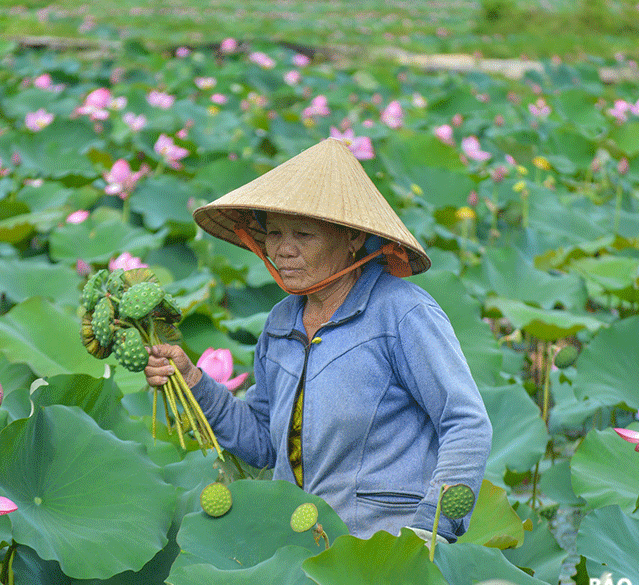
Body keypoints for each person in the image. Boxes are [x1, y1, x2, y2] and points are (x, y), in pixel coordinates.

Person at [145, 137, 491, 542]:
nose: (284, 250)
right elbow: (262, 441)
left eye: (303, 235)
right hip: (298, 541)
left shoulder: (403, 314)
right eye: (274, 234)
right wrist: (195, 384)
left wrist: (431, 528)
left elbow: (466, 424)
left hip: (385, 546)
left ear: (353, 238)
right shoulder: (280, 322)